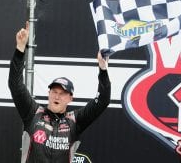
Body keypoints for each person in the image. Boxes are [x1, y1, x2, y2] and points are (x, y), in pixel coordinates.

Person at [8, 22, 111, 163]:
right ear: (49, 93)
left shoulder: (75, 120)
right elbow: (15, 85)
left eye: (62, 93)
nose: (57, 95)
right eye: (54, 91)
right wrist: (20, 49)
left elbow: (103, 101)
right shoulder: (33, 113)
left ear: (70, 98)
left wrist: (103, 69)